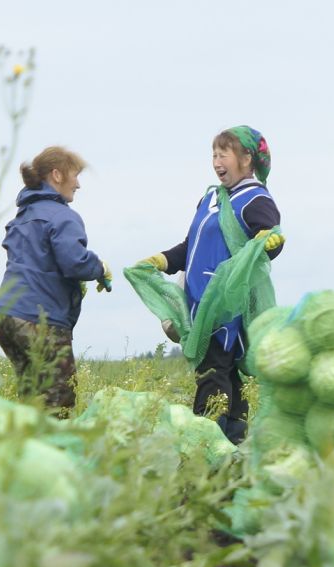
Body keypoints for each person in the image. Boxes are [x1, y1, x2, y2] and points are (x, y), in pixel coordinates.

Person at [140, 126, 284, 441]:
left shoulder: (253, 198)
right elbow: (190, 247)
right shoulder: (211, 199)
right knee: (228, 376)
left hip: (224, 309)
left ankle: (203, 446)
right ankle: (233, 445)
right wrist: (162, 260)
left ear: (247, 158)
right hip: (199, 302)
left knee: (213, 374)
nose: (217, 162)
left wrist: (268, 240)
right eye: (214, 155)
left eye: (224, 154)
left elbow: (270, 239)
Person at [0, 145, 110, 416]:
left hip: (6, 316)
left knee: (32, 400)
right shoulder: (63, 216)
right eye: (75, 175)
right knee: (59, 402)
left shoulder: (24, 215)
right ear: (56, 175)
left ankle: (24, 453)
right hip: (38, 319)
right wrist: (99, 267)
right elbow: (74, 262)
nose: (78, 184)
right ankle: (54, 455)